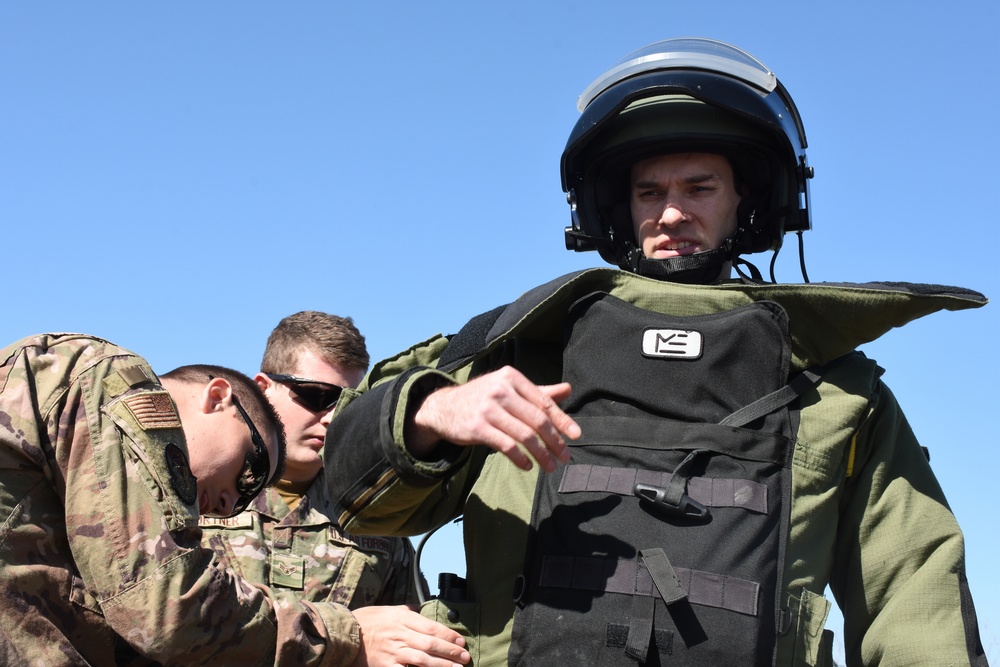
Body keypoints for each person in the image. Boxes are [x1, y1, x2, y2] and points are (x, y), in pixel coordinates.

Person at [323, 38, 989, 666]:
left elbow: (913, 594)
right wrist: (430, 414)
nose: (671, 212)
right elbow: (355, 501)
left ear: (747, 203)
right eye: (649, 192)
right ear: (616, 208)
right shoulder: (517, 355)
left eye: (699, 187)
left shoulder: (835, 392)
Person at [0, 332, 469, 667]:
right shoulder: (109, 380)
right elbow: (164, 610)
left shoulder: (375, 522)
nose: (231, 504)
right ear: (220, 397)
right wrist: (345, 637)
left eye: (347, 408)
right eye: (248, 466)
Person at [200, 311, 427, 609]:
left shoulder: (372, 513)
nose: (332, 417)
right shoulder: (199, 487)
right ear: (264, 389)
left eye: (348, 404)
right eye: (317, 396)